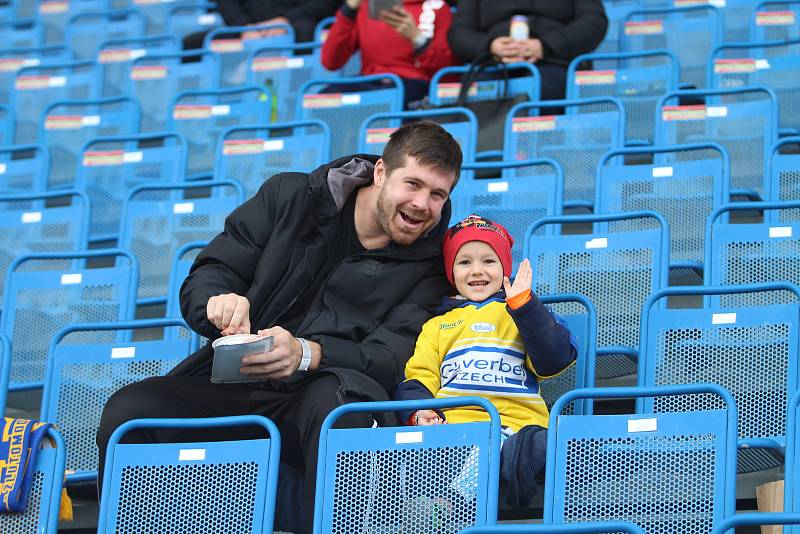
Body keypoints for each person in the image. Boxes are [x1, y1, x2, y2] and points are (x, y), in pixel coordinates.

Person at [96, 121, 462, 533]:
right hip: (238, 381)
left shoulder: (432, 268)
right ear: (380, 173)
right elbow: (212, 271)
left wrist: (307, 354)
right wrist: (217, 302)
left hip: (324, 391)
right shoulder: (291, 196)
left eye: (437, 194)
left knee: (342, 414)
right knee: (131, 413)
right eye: (412, 184)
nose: (422, 204)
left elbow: (392, 357)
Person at [394, 214, 577, 509]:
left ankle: (453, 502)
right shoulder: (438, 325)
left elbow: (554, 360)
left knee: (550, 445)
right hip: (454, 430)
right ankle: (434, 507)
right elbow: (418, 378)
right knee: (410, 446)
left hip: (517, 430)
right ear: (451, 271)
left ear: (505, 267)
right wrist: (420, 411)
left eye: (489, 261)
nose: (476, 271)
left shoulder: (523, 312)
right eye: (464, 262)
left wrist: (525, 307)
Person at [447, 0, 608, 100]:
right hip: (492, 63)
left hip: (554, 61)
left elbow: (594, 21)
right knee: (480, 93)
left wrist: (546, 46)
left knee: (547, 88)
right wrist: (490, 46)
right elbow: (458, 33)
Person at [321, 0, 459, 106]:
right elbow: (330, 61)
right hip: (369, 81)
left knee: (394, 100)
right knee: (322, 100)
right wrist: (348, 10)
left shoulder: (439, 7)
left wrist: (418, 39)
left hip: (414, 86)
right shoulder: (366, 6)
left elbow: (447, 73)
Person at [183, 0, 340, 48]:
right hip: (250, 29)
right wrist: (244, 26)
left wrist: (287, 20)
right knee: (192, 44)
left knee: (305, 31)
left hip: (297, 25)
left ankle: (294, 103)